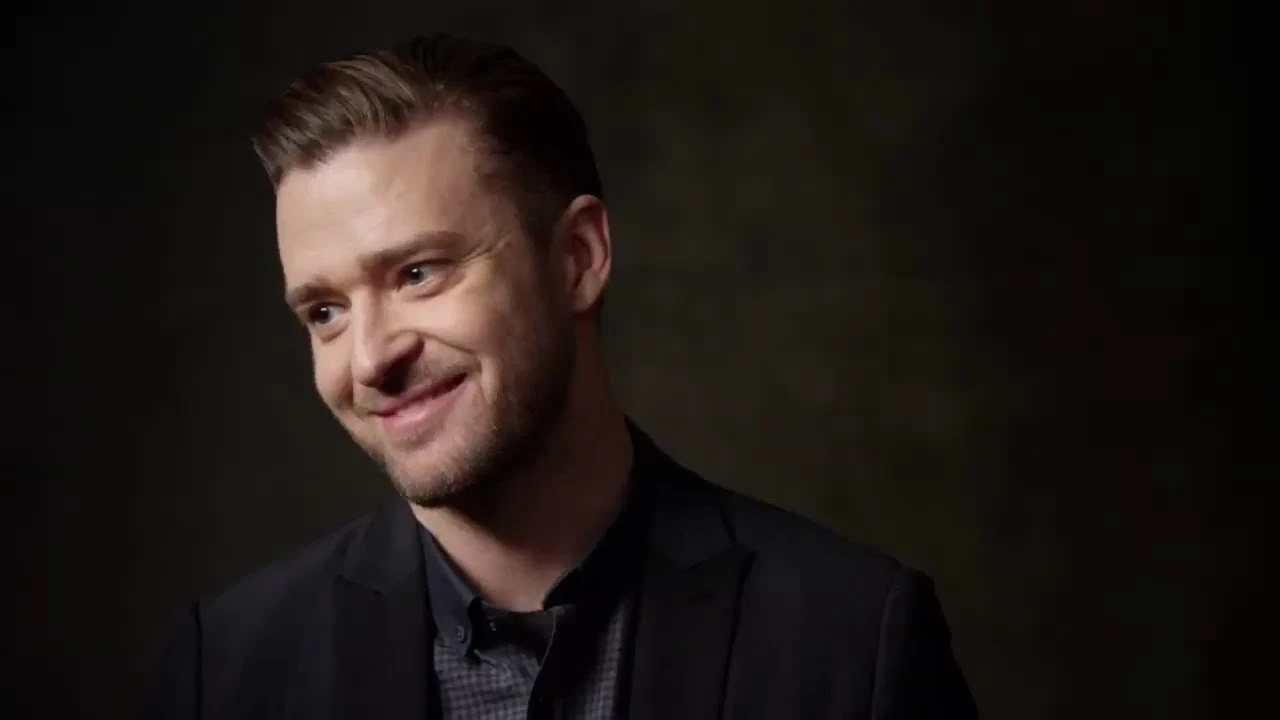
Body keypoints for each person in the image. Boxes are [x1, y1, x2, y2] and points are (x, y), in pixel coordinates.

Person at [144, 33, 979, 720]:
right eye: (324, 311)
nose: (368, 361)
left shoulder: (854, 640)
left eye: (419, 274)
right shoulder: (228, 671)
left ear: (578, 258)